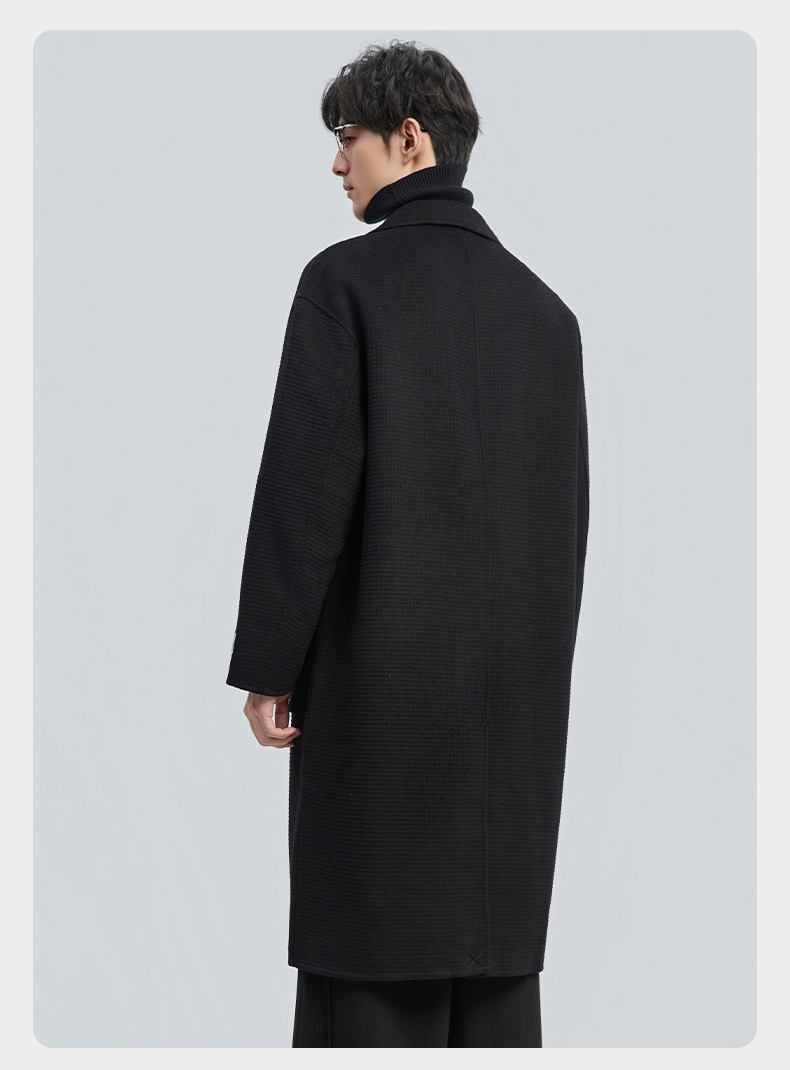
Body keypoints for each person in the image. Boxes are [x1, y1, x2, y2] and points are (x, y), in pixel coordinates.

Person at [226, 40, 590, 1047]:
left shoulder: (345, 284)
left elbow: (304, 496)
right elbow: (567, 531)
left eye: (348, 136)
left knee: (368, 992)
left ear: (411, 138)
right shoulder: (547, 316)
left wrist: (268, 666)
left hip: (379, 720)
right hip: (512, 739)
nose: (336, 160)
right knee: (496, 1000)